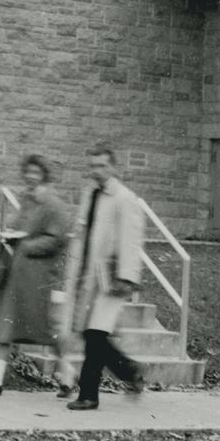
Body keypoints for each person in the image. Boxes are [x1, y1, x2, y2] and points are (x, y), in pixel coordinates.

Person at [60, 143, 146, 410]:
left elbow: (131, 240)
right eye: (93, 166)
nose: (97, 171)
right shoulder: (91, 194)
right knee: (91, 333)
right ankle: (130, 371)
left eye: (103, 166)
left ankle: (89, 395)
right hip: (88, 275)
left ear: (113, 167)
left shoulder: (124, 198)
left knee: (95, 334)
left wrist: (127, 277)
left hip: (110, 278)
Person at [0, 154, 72, 395]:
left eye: (36, 173)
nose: (30, 176)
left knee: (44, 329)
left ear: (44, 176)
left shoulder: (53, 204)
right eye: (28, 172)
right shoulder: (27, 200)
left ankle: (69, 376)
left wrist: (27, 245)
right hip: (15, 275)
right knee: (5, 326)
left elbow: (58, 239)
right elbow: (20, 227)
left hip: (36, 278)